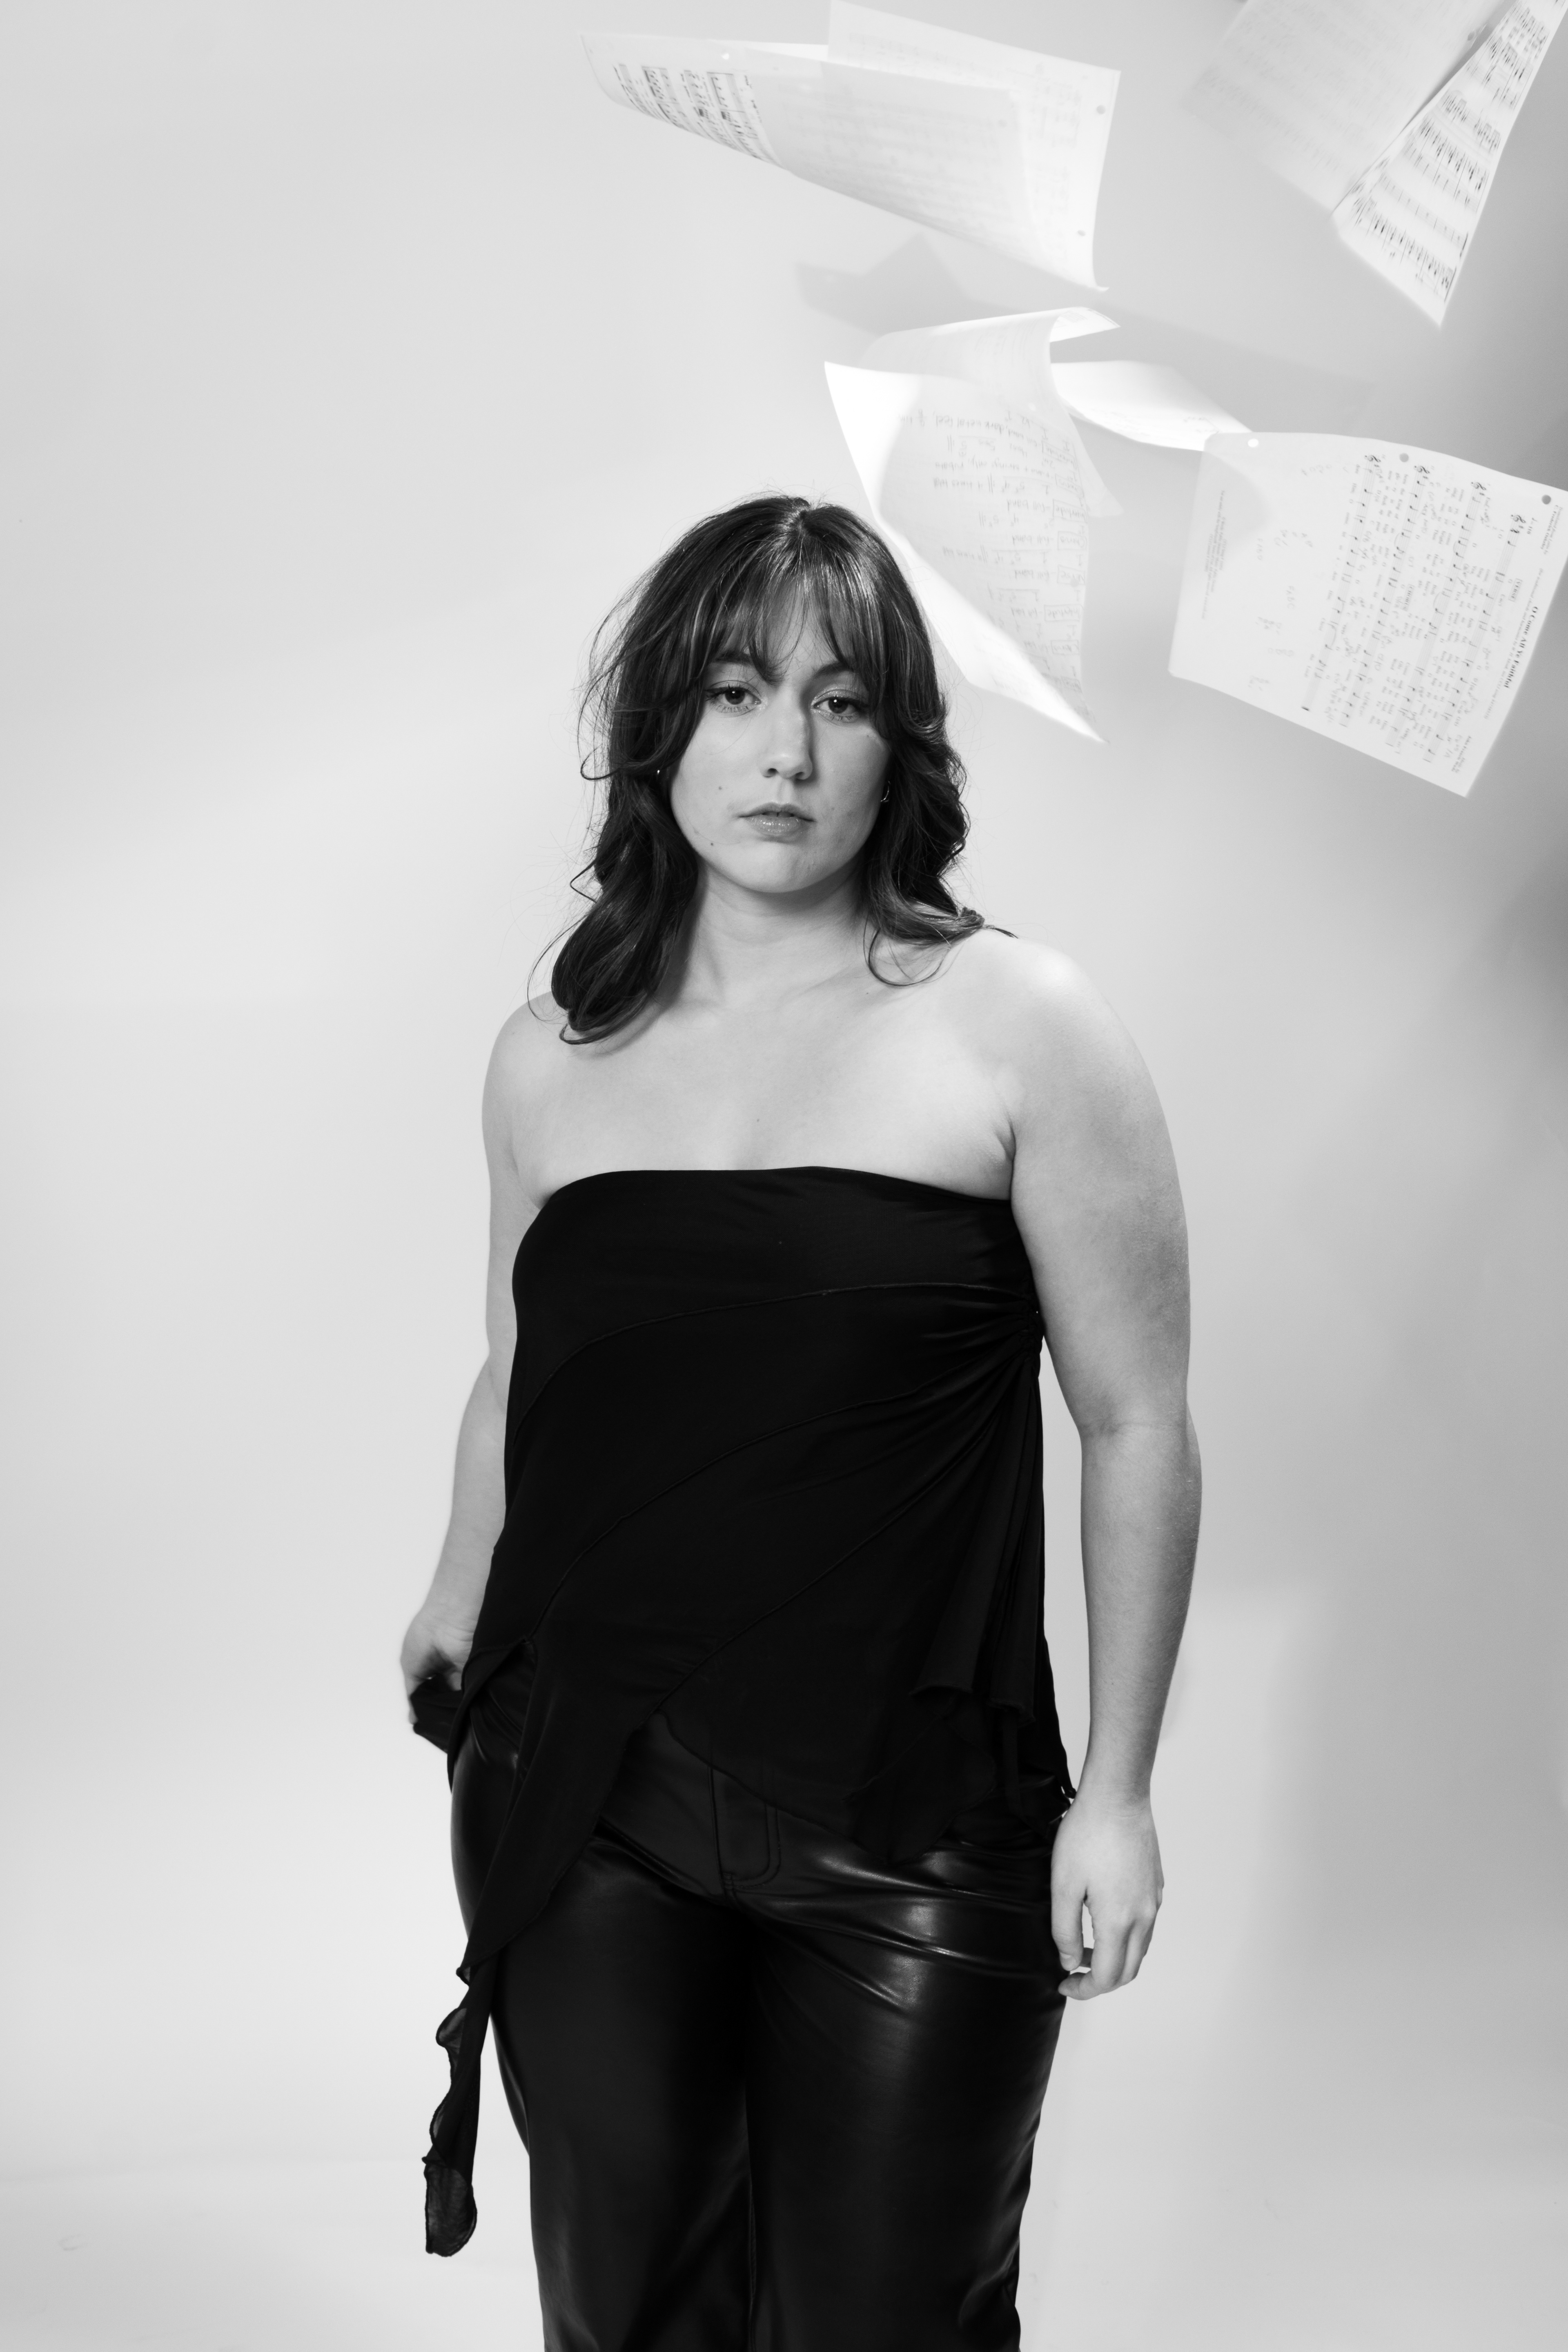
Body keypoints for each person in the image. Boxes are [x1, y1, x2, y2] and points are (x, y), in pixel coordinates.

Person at [399, 493, 1200, 2351]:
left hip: (917, 1818)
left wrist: (1120, 1793)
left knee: (890, 2321)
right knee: (628, 2318)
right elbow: (521, 1367)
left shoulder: (1021, 1023)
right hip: (585, 1794)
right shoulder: (551, 1055)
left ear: (898, 745)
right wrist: (453, 1590)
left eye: (840, 702)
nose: (786, 752)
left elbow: (1139, 1423)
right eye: (738, 691)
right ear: (660, 726)